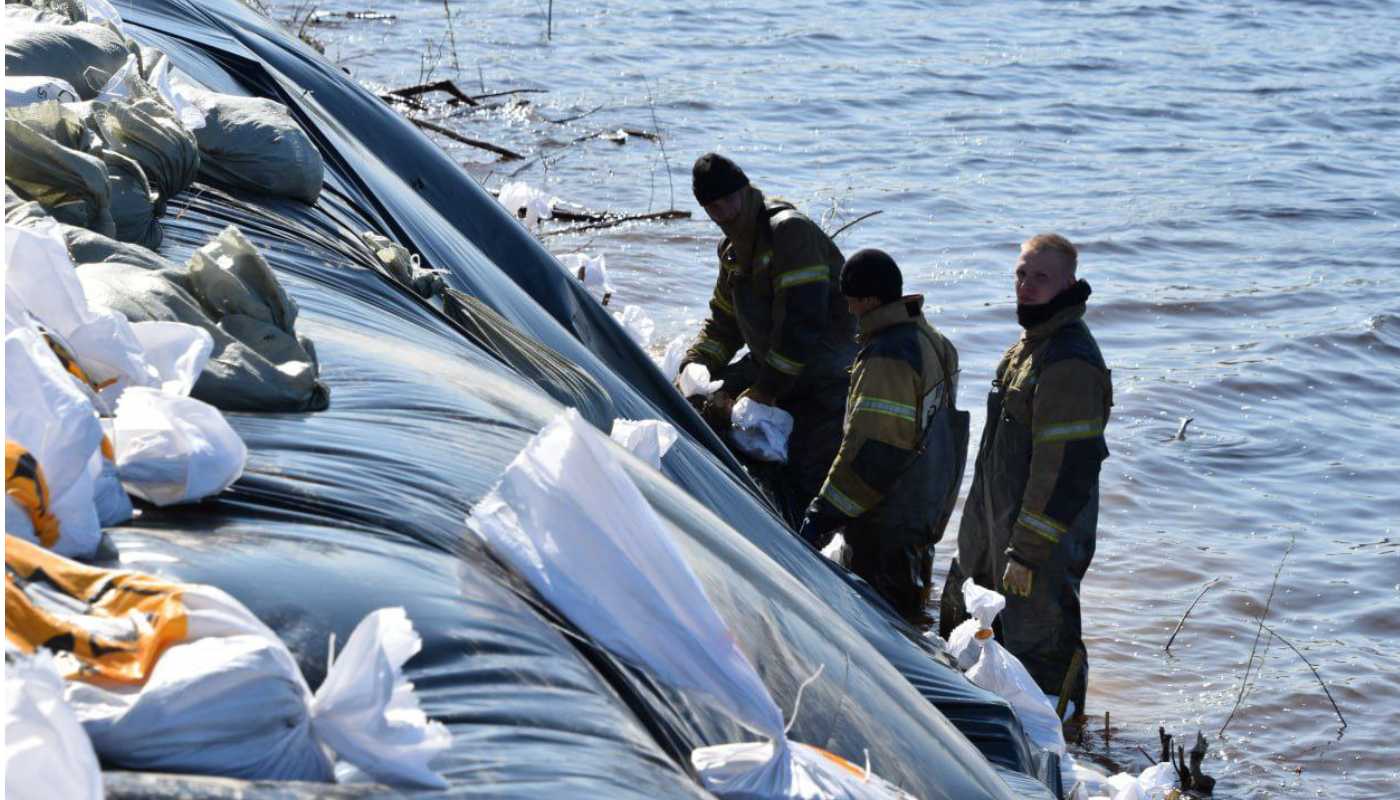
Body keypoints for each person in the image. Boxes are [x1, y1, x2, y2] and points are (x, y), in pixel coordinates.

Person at [940, 233, 1112, 718]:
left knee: (1041, 654)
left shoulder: (1069, 362)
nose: (1026, 285)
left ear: (1069, 284)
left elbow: (1066, 471)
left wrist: (1027, 553)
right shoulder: (1031, 346)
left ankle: (1062, 750)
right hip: (999, 532)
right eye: (1021, 274)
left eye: (1041, 277)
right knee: (978, 634)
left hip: (1039, 546)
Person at [677, 153, 857, 526]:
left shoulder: (788, 232)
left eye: (727, 200)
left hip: (825, 380)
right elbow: (723, 322)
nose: (722, 212)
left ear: (745, 190)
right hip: (775, 373)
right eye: (711, 206)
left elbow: (802, 324)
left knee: (804, 491)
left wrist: (764, 391)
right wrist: (696, 363)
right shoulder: (732, 251)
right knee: (696, 407)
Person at [795, 249, 967, 626]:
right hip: (921, 513)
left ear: (871, 300)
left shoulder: (887, 355)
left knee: (880, 629)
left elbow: (874, 451)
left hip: (886, 523)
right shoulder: (931, 339)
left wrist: (822, 513)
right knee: (907, 617)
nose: (851, 311)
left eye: (853, 301)